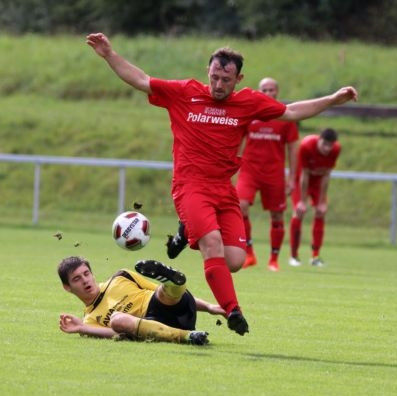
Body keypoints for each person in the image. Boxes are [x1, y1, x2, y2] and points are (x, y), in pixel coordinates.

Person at [86, 32, 358, 336]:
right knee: (212, 244)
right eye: (215, 77)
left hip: (223, 189)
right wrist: (109, 54)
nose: (218, 85)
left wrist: (333, 99)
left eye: (226, 80)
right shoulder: (184, 92)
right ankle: (233, 311)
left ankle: (186, 231)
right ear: (208, 72)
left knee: (235, 261)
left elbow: (292, 111)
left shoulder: (249, 102)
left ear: (238, 78)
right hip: (190, 186)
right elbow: (141, 80)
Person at [57, 256, 225, 345]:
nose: (85, 280)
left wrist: (209, 307)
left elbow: (161, 292)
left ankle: (172, 280)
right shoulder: (90, 320)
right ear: (68, 287)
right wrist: (81, 328)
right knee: (117, 319)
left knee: (164, 290)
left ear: (92, 274)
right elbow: (117, 334)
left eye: (86, 274)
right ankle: (189, 337)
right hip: (155, 328)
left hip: (170, 305)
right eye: (77, 279)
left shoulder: (121, 277)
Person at [235, 77, 299, 272]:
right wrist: (230, 164)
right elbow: (237, 140)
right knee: (241, 206)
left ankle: (274, 259)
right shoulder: (250, 113)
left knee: (277, 215)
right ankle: (249, 254)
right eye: (265, 89)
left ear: (277, 92)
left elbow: (293, 149)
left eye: (272, 89)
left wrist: (292, 178)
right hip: (249, 171)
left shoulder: (285, 117)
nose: (269, 92)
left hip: (274, 174)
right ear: (259, 91)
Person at [289, 128, 341, 268]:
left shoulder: (336, 150)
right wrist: (301, 201)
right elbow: (304, 175)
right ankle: (294, 256)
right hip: (303, 180)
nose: (327, 148)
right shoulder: (306, 146)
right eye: (325, 144)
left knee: (320, 212)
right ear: (319, 139)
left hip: (318, 182)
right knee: (299, 212)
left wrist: (322, 201)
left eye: (330, 145)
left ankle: (315, 256)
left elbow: (326, 175)